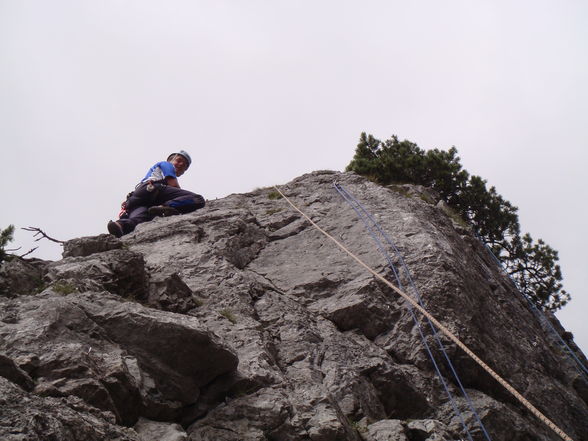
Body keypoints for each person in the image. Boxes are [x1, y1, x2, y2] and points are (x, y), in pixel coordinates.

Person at [107, 150, 205, 237]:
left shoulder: (154, 172)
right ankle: (164, 207)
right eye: (178, 160)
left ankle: (119, 225)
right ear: (170, 160)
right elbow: (174, 185)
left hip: (138, 199)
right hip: (154, 189)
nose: (180, 164)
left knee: (139, 220)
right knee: (197, 199)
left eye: (183, 165)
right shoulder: (166, 165)